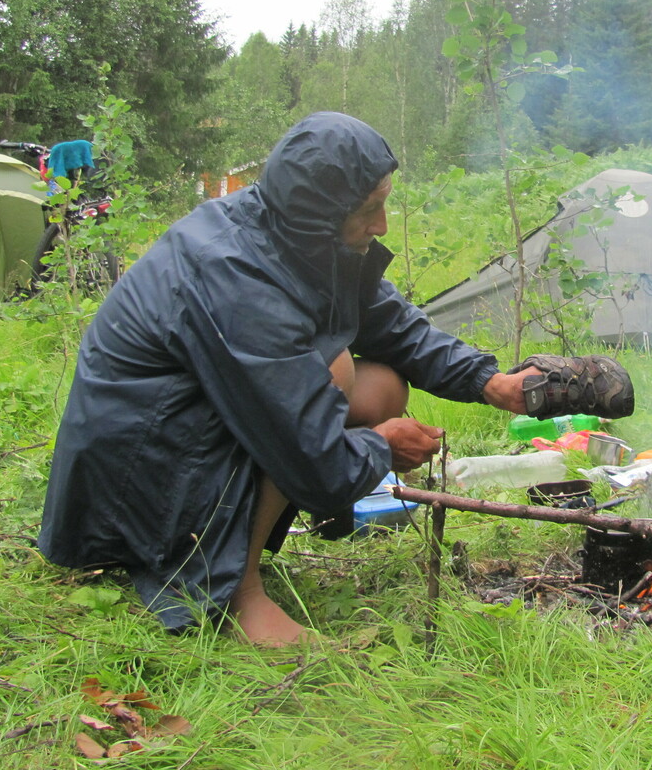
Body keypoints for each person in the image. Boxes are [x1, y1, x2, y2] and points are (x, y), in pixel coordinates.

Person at [38, 112, 539, 646]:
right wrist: (377, 445)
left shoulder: (297, 234)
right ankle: (234, 597)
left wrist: (492, 383)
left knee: (381, 385)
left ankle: (266, 540)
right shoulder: (232, 267)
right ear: (320, 212)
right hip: (135, 472)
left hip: (186, 429)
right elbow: (305, 446)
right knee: (336, 368)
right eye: (370, 209)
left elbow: (391, 324)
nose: (383, 224)